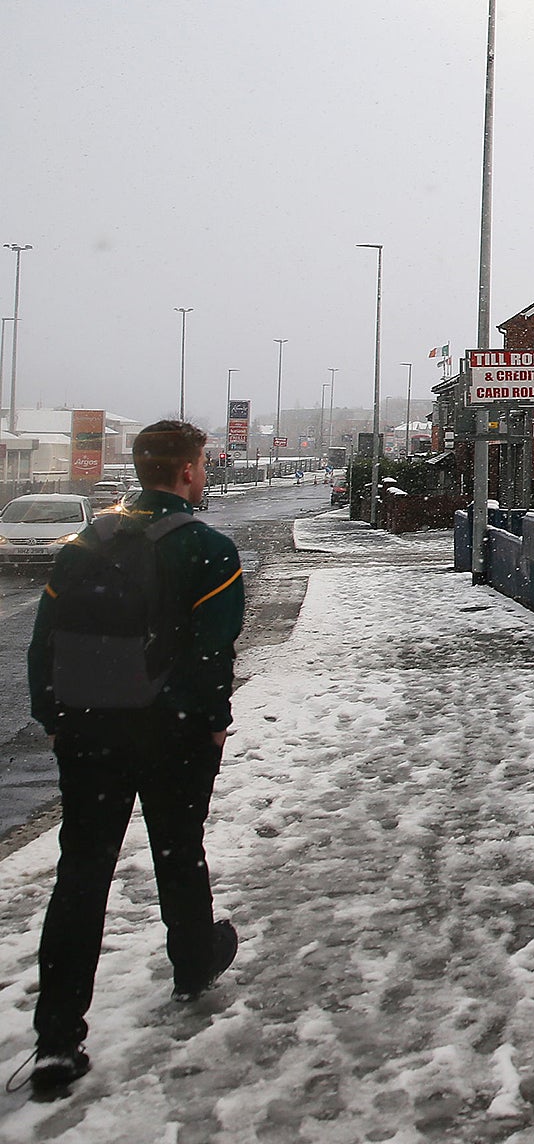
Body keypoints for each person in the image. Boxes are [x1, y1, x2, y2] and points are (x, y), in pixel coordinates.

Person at [20, 420, 242, 1101]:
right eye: (201, 465)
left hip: (89, 730)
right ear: (185, 472)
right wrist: (211, 728)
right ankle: (192, 965)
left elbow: (43, 645)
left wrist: (57, 721)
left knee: (81, 874)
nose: (203, 475)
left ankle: (57, 1041)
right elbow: (212, 656)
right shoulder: (207, 548)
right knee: (179, 851)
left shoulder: (83, 544)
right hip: (171, 735)